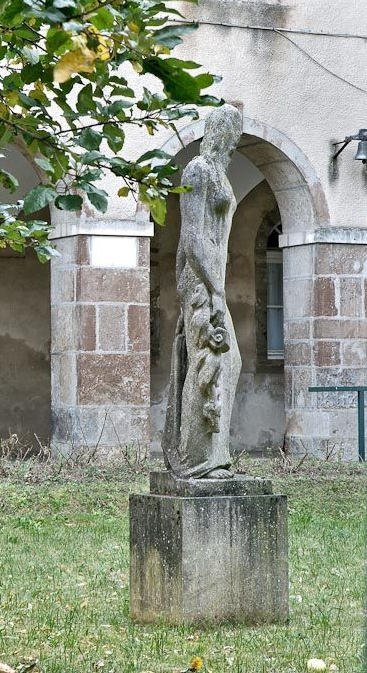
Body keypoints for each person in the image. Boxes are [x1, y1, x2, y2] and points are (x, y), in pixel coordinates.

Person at [162, 105, 242, 479]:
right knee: (209, 363)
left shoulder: (220, 174)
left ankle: (214, 454)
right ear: (217, 131)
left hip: (214, 278)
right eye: (231, 132)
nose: (234, 141)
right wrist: (215, 288)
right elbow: (192, 237)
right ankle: (198, 459)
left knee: (225, 362)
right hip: (201, 280)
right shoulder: (198, 170)